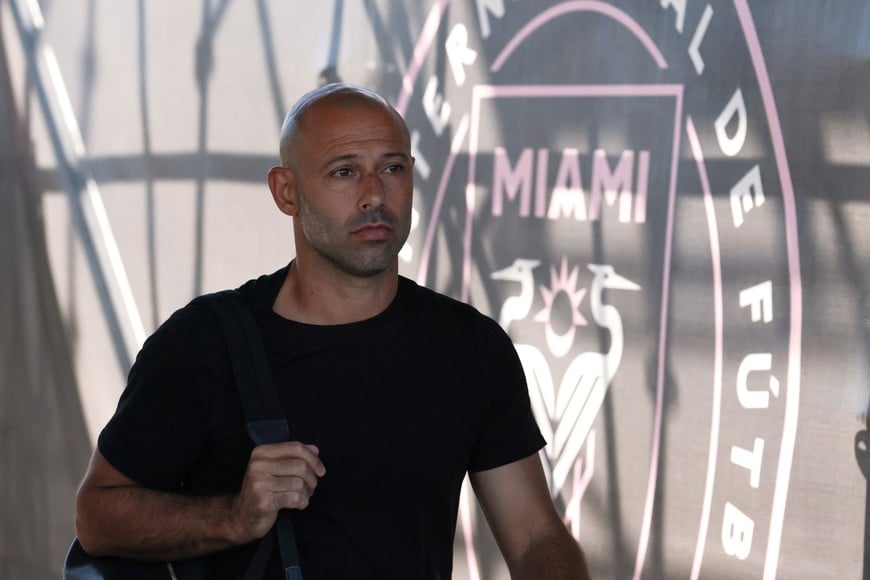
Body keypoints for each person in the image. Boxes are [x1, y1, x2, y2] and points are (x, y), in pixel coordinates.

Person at [74, 83, 590, 579]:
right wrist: (233, 516)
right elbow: (97, 517)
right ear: (287, 192)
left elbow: (534, 537)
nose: (374, 196)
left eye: (392, 168)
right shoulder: (205, 343)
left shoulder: (470, 347)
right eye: (344, 172)